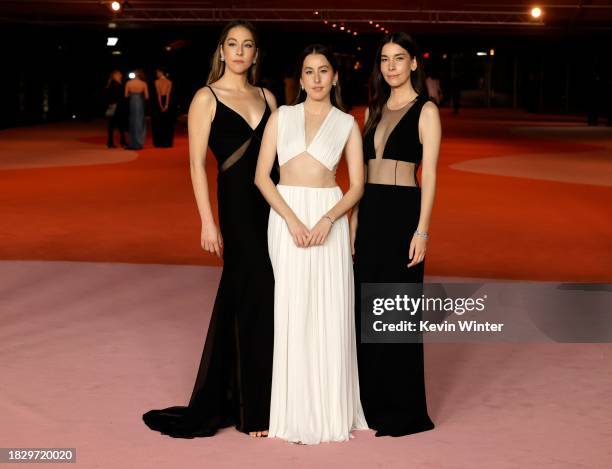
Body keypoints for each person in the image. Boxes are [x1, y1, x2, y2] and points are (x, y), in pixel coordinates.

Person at [142, 20, 278, 438]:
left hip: (272, 204)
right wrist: (207, 220)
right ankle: (255, 411)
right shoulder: (206, 97)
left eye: (247, 45)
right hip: (236, 207)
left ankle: (255, 396)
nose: (239, 51)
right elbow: (197, 164)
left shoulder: (269, 97)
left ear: (255, 54)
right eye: (232, 44)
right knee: (255, 290)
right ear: (221, 51)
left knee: (263, 295)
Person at [255, 44, 368, 445]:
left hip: (328, 216)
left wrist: (327, 220)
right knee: (292, 309)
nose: (316, 78)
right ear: (299, 79)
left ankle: (328, 409)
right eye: (309, 71)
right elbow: (262, 178)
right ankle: (292, 412)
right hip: (286, 216)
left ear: (334, 77)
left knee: (329, 311)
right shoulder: (281, 117)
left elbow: (357, 186)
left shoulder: (347, 124)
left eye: (323, 70)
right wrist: (290, 219)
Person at [350, 32, 441, 437]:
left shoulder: (427, 110)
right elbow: (358, 170)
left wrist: (422, 230)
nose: (391, 66)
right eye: (385, 59)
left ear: (413, 64)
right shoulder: (373, 108)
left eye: (399, 58)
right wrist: (353, 221)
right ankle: (368, 401)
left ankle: (401, 406)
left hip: (404, 212)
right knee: (365, 306)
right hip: (369, 211)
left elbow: (432, 173)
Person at [124, 69, 149, 149]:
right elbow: (147, 96)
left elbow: (125, 95)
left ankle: (132, 143)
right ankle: (139, 142)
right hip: (140, 102)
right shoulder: (143, 83)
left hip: (132, 102)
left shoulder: (128, 83)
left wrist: (132, 95)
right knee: (139, 122)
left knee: (132, 122)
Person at [152, 67, 176, 147]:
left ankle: (159, 143)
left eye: (157, 72)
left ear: (160, 72)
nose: (156, 74)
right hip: (168, 102)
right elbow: (168, 94)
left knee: (159, 123)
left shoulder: (156, 81)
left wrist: (161, 106)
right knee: (168, 123)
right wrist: (166, 105)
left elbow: (158, 94)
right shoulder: (169, 82)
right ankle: (167, 143)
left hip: (159, 102)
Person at [105, 70, 127, 148]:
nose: (121, 75)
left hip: (112, 106)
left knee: (112, 125)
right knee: (119, 124)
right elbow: (121, 96)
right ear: (115, 75)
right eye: (119, 74)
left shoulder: (111, 84)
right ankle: (122, 141)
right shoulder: (117, 84)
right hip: (117, 107)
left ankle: (111, 142)